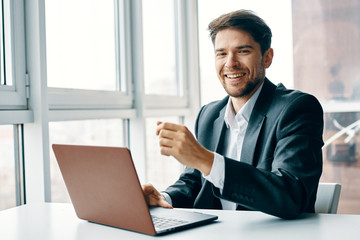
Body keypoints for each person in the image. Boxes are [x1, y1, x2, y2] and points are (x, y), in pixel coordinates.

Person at [142, 10, 323, 219]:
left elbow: (291, 194)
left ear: (267, 58)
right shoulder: (209, 114)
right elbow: (193, 183)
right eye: (221, 53)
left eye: (243, 51)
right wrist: (164, 198)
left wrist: (206, 160)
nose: (230, 63)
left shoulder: (297, 108)